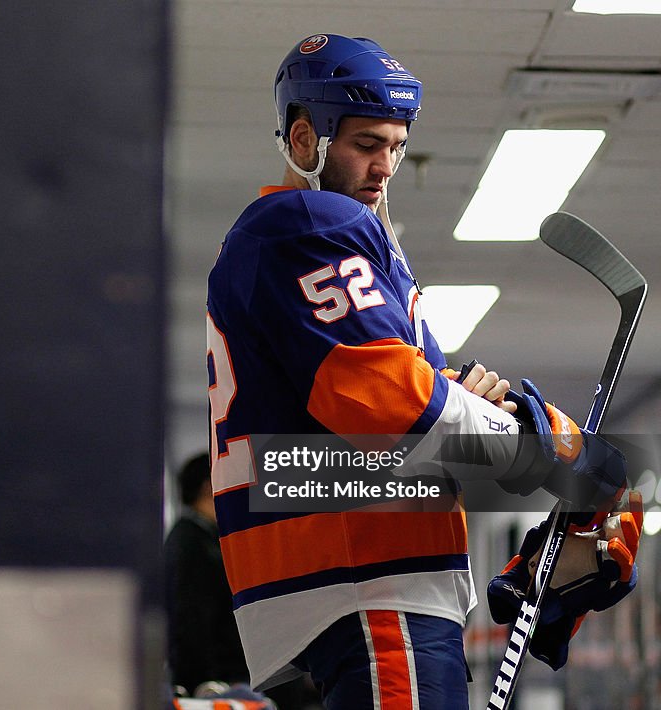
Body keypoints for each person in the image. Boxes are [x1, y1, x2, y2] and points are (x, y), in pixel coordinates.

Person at [205, 33, 642, 709]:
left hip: (349, 590)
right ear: (302, 141)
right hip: (368, 587)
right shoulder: (306, 223)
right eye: (366, 144)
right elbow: (400, 411)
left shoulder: (323, 243)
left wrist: (449, 404)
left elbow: (400, 418)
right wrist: (554, 448)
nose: (386, 165)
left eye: (397, 146)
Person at [164, 453, 249, 695]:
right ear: (208, 485)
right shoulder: (191, 542)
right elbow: (191, 618)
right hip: (214, 684)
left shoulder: (205, 538)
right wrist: (202, 684)